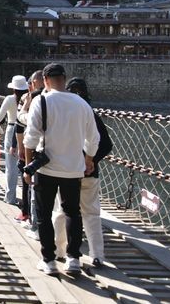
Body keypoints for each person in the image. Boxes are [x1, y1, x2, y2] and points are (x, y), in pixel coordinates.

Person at [23, 63, 99, 276]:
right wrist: (89, 159)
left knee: (44, 215)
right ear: (64, 79)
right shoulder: (81, 104)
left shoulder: (41, 101)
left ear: (45, 80)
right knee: (73, 212)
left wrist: (28, 168)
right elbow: (93, 138)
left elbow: (31, 138)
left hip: (46, 168)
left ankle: (49, 260)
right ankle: (73, 258)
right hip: (74, 169)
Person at [53, 77, 113, 269]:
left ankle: (59, 250)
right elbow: (106, 144)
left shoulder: (63, 112)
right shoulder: (90, 113)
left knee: (61, 211)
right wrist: (91, 161)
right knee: (91, 214)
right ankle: (97, 255)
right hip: (89, 173)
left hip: (67, 170)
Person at [0, 74, 28, 203]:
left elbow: (0, 116)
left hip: (11, 130)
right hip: (26, 131)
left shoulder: (10, 99)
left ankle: (10, 197)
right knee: (26, 165)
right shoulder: (30, 99)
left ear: (14, 88)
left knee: (11, 166)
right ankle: (27, 200)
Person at [15, 70, 44, 235]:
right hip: (56, 155)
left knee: (33, 189)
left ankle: (34, 224)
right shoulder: (66, 101)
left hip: (35, 151)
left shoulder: (33, 99)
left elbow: (21, 123)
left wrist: (21, 149)